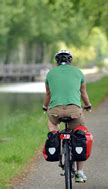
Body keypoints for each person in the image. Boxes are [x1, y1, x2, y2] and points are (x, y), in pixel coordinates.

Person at [42, 49, 92, 183]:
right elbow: (83, 93)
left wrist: (44, 107)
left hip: (55, 111)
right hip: (74, 111)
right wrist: (87, 105)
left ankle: (55, 139)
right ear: (70, 60)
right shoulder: (78, 72)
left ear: (57, 61)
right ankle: (80, 172)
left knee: (53, 124)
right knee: (80, 133)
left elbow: (48, 94)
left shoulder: (50, 74)